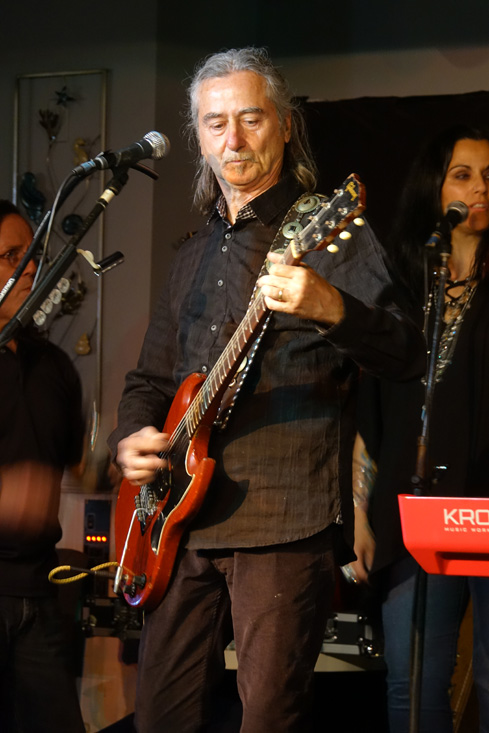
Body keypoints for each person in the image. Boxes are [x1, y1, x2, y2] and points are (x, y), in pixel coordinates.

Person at [108, 47, 424, 733]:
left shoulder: (329, 233)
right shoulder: (191, 254)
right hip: (180, 521)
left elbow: (407, 353)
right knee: (158, 716)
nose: (234, 139)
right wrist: (129, 440)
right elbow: (149, 381)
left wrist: (330, 306)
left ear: (283, 125)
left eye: (250, 119)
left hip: (283, 518)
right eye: (215, 123)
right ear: (198, 137)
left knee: (270, 718)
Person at [350, 124, 489, 732]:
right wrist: (360, 512)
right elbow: (370, 410)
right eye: (463, 175)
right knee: (413, 686)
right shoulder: (403, 291)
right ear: (434, 189)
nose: (480, 188)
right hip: (417, 515)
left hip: (486, 503)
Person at [0, 200, 86, 732]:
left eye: (32, 254)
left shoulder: (54, 366)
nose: (30, 267)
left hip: (40, 592)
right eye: (12, 256)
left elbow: (77, 466)